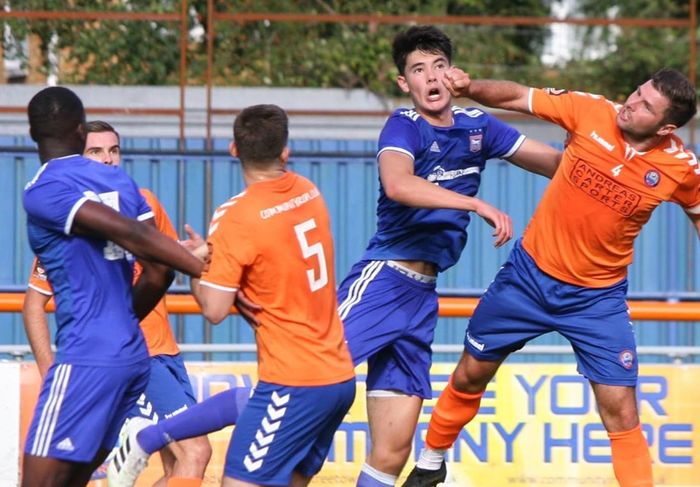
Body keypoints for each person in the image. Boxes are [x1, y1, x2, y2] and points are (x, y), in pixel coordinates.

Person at [403, 68, 700, 487]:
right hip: (527, 279)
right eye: (636, 92)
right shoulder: (591, 110)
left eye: (646, 105)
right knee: (471, 373)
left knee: (622, 411)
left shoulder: (681, 167)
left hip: (597, 301)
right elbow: (517, 96)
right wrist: (471, 89)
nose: (631, 103)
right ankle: (430, 463)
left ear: (667, 127)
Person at [333, 26, 561, 487]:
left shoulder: (478, 125)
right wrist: (474, 203)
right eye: (418, 69)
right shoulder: (404, 125)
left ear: (454, 74)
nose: (431, 77)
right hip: (383, 280)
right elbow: (399, 184)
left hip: (421, 298)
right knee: (305, 386)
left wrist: (597, 139)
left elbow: (556, 164)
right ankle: (166, 434)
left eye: (438, 65)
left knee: (393, 451)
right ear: (405, 84)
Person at [108, 104, 356, 487]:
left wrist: (199, 265)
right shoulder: (309, 192)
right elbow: (275, 253)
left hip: (294, 380)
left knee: (237, 481)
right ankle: (146, 438)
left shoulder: (236, 217)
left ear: (233, 150)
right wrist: (218, 255)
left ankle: (144, 439)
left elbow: (214, 308)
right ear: (285, 151)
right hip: (338, 377)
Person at [21, 86, 205, 487]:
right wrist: (124, 320)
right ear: (80, 129)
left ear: (33, 133)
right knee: (74, 480)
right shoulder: (123, 185)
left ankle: (137, 446)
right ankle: (138, 445)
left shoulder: (42, 191)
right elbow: (159, 271)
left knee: (35, 481)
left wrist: (196, 264)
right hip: (134, 356)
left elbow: (131, 236)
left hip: (86, 357)